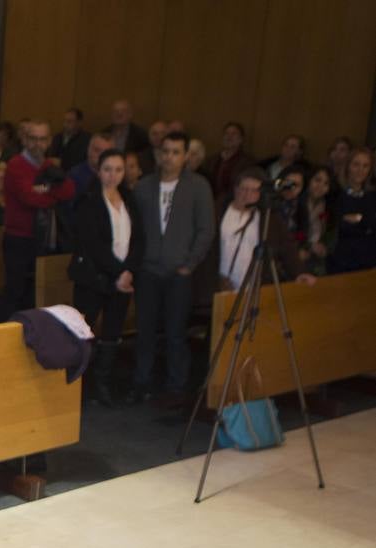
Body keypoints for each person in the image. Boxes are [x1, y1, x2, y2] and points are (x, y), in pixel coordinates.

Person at [129, 131, 214, 406]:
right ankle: (142, 382)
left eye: (176, 152)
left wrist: (189, 264)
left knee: (176, 332)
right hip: (148, 271)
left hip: (179, 271)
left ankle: (176, 385)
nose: (169, 157)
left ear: (186, 156)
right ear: (158, 154)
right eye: (165, 151)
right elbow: (135, 229)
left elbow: (205, 230)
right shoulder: (144, 187)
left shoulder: (198, 186)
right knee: (146, 331)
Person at [68, 149, 143, 405]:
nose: (113, 175)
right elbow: (93, 244)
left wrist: (129, 270)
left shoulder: (129, 198)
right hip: (94, 277)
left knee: (112, 331)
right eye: (108, 169)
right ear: (99, 171)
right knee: (83, 330)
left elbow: (139, 239)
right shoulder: (88, 199)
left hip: (123, 279)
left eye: (119, 170)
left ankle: (102, 384)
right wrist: (118, 271)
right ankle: (78, 385)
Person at [0, 121, 75, 320]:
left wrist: (45, 191)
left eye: (43, 139)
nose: (37, 144)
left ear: (49, 141)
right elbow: (29, 198)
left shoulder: (49, 165)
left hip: (42, 239)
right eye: (33, 138)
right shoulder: (16, 165)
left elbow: (68, 191)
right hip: (18, 238)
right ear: (24, 140)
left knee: (34, 294)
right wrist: (51, 192)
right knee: (15, 292)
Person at [211, 167, 315, 294]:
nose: (247, 194)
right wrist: (215, 279)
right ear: (235, 189)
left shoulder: (269, 218)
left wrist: (300, 272)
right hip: (221, 284)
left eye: (254, 190)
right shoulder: (217, 211)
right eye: (244, 189)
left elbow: (287, 247)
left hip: (255, 288)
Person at [328, 149, 376, 274]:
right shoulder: (335, 193)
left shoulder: (372, 196)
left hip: (368, 260)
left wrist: (360, 219)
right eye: (356, 164)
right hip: (340, 260)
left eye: (365, 166)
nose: (361, 170)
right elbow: (338, 225)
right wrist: (366, 224)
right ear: (348, 166)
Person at [202, 122, 256, 200]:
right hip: (210, 201)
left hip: (233, 203)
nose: (229, 137)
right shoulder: (212, 160)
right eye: (226, 133)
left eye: (234, 134)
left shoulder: (248, 162)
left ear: (241, 139)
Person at [302, 165, 338, 275]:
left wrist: (325, 247)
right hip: (298, 254)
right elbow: (293, 232)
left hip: (318, 258)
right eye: (317, 180)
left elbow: (331, 232)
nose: (320, 186)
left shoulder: (329, 207)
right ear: (309, 180)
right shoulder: (298, 202)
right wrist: (309, 245)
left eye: (326, 183)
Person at [49, 107, 90, 173]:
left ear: (79, 123)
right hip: (54, 172)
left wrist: (62, 163)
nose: (65, 124)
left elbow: (82, 161)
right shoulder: (58, 137)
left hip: (74, 174)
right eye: (65, 121)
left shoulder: (87, 140)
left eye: (69, 121)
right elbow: (51, 156)